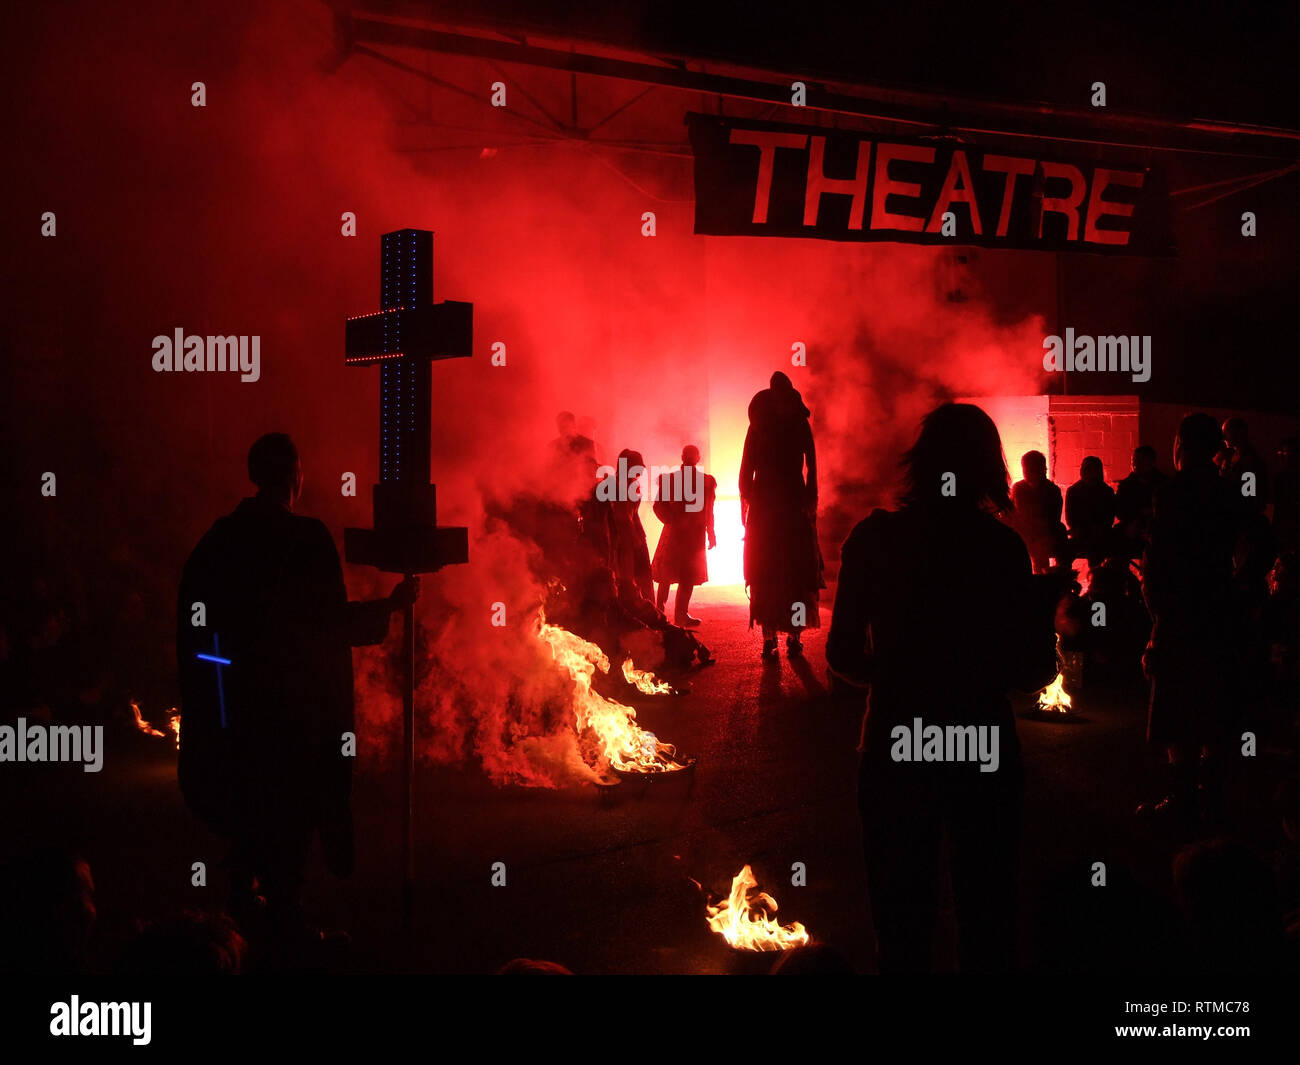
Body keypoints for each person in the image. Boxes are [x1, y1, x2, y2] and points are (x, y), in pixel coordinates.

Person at [827, 403, 1058, 973]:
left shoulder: (874, 538)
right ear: (989, 468)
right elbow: (1030, 672)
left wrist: (902, 675)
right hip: (981, 748)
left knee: (902, 922)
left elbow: (842, 655)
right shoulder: (1001, 549)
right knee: (988, 914)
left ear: (920, 463)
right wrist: (1042, 621)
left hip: (896, 744)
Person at [177, 433, 418, 943]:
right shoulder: (305, 538)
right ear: (294, 476)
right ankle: (285, 926)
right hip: (294, 714)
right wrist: (390, 607)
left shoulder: (219, 538)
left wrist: (214, 694)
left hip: (235, 710)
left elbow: (195, 624)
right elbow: (327, 624)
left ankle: (239, 916)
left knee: (247, 808)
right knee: (290, 816)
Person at [1138, 414, 1247, 819]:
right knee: (1214, 702)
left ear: (1181, 444)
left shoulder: (1173, 493)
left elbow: (1160, 561)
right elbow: (1248, 546)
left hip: (1182, 612)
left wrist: (1157, 618)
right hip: (1219, 610)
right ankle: (1212, 793)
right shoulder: (1227, 492)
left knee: (1178, 706)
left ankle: (1183, 798)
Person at [740, 372, 822, 659]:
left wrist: (747, 501)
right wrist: (810, 499)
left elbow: (810, 465)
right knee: (777, 571)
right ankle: (775, 636)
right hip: (780, 504)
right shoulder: (764, 423)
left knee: (785, 571)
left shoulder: (783, 422)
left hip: (777, 504)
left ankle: (784, 636)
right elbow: (747, 467)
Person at [652, 445, 717, 627]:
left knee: (687, 575)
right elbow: (659, 506)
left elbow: (708, 511)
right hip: (677, 533)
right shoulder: (674, 480)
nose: (690, 458)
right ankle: (660, 614)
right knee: (668, 574)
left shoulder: (704, 481)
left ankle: (677, 614)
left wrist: (710, 531)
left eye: (692, 455)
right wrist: (671, 520)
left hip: (692, 535)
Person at [1009, 451, 1064, 574]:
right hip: (1025, 534)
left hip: (1044, 535)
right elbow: (1013, 514)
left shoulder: (1052, 491)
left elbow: (1053, 519)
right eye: (1025, 468)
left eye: (1030, 468)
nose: (1026, 472)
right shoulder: (1018, 489)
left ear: (1041, 469)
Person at [1114, 445, 1167, 559]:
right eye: (1134, 461)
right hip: (1131, 526)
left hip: (1157, 527)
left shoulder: (1164, 484)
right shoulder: (1126, 486)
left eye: (1140, 461)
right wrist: (1136, 520)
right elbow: (1120, 511)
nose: (1135, 465)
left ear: (1152, 462)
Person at [1065, 456, 1116, 567]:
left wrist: (1098, 529)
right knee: (1064, 551)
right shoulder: (1073, 491)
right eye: (1086, 468)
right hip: (1081, 534)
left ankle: (1096, 577)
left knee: (1097, 549)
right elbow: (1071, 519)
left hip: (1099, 535)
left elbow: (1109, 518)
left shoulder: (1106, 492)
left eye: (1091, 469)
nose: (1087, 472)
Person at [1216, 416, 1269, 510]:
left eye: (1226, 431)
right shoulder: (1233, 455)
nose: (1223, 436)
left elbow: (1248, 496)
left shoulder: (1250, 460)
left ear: (1240, 432)